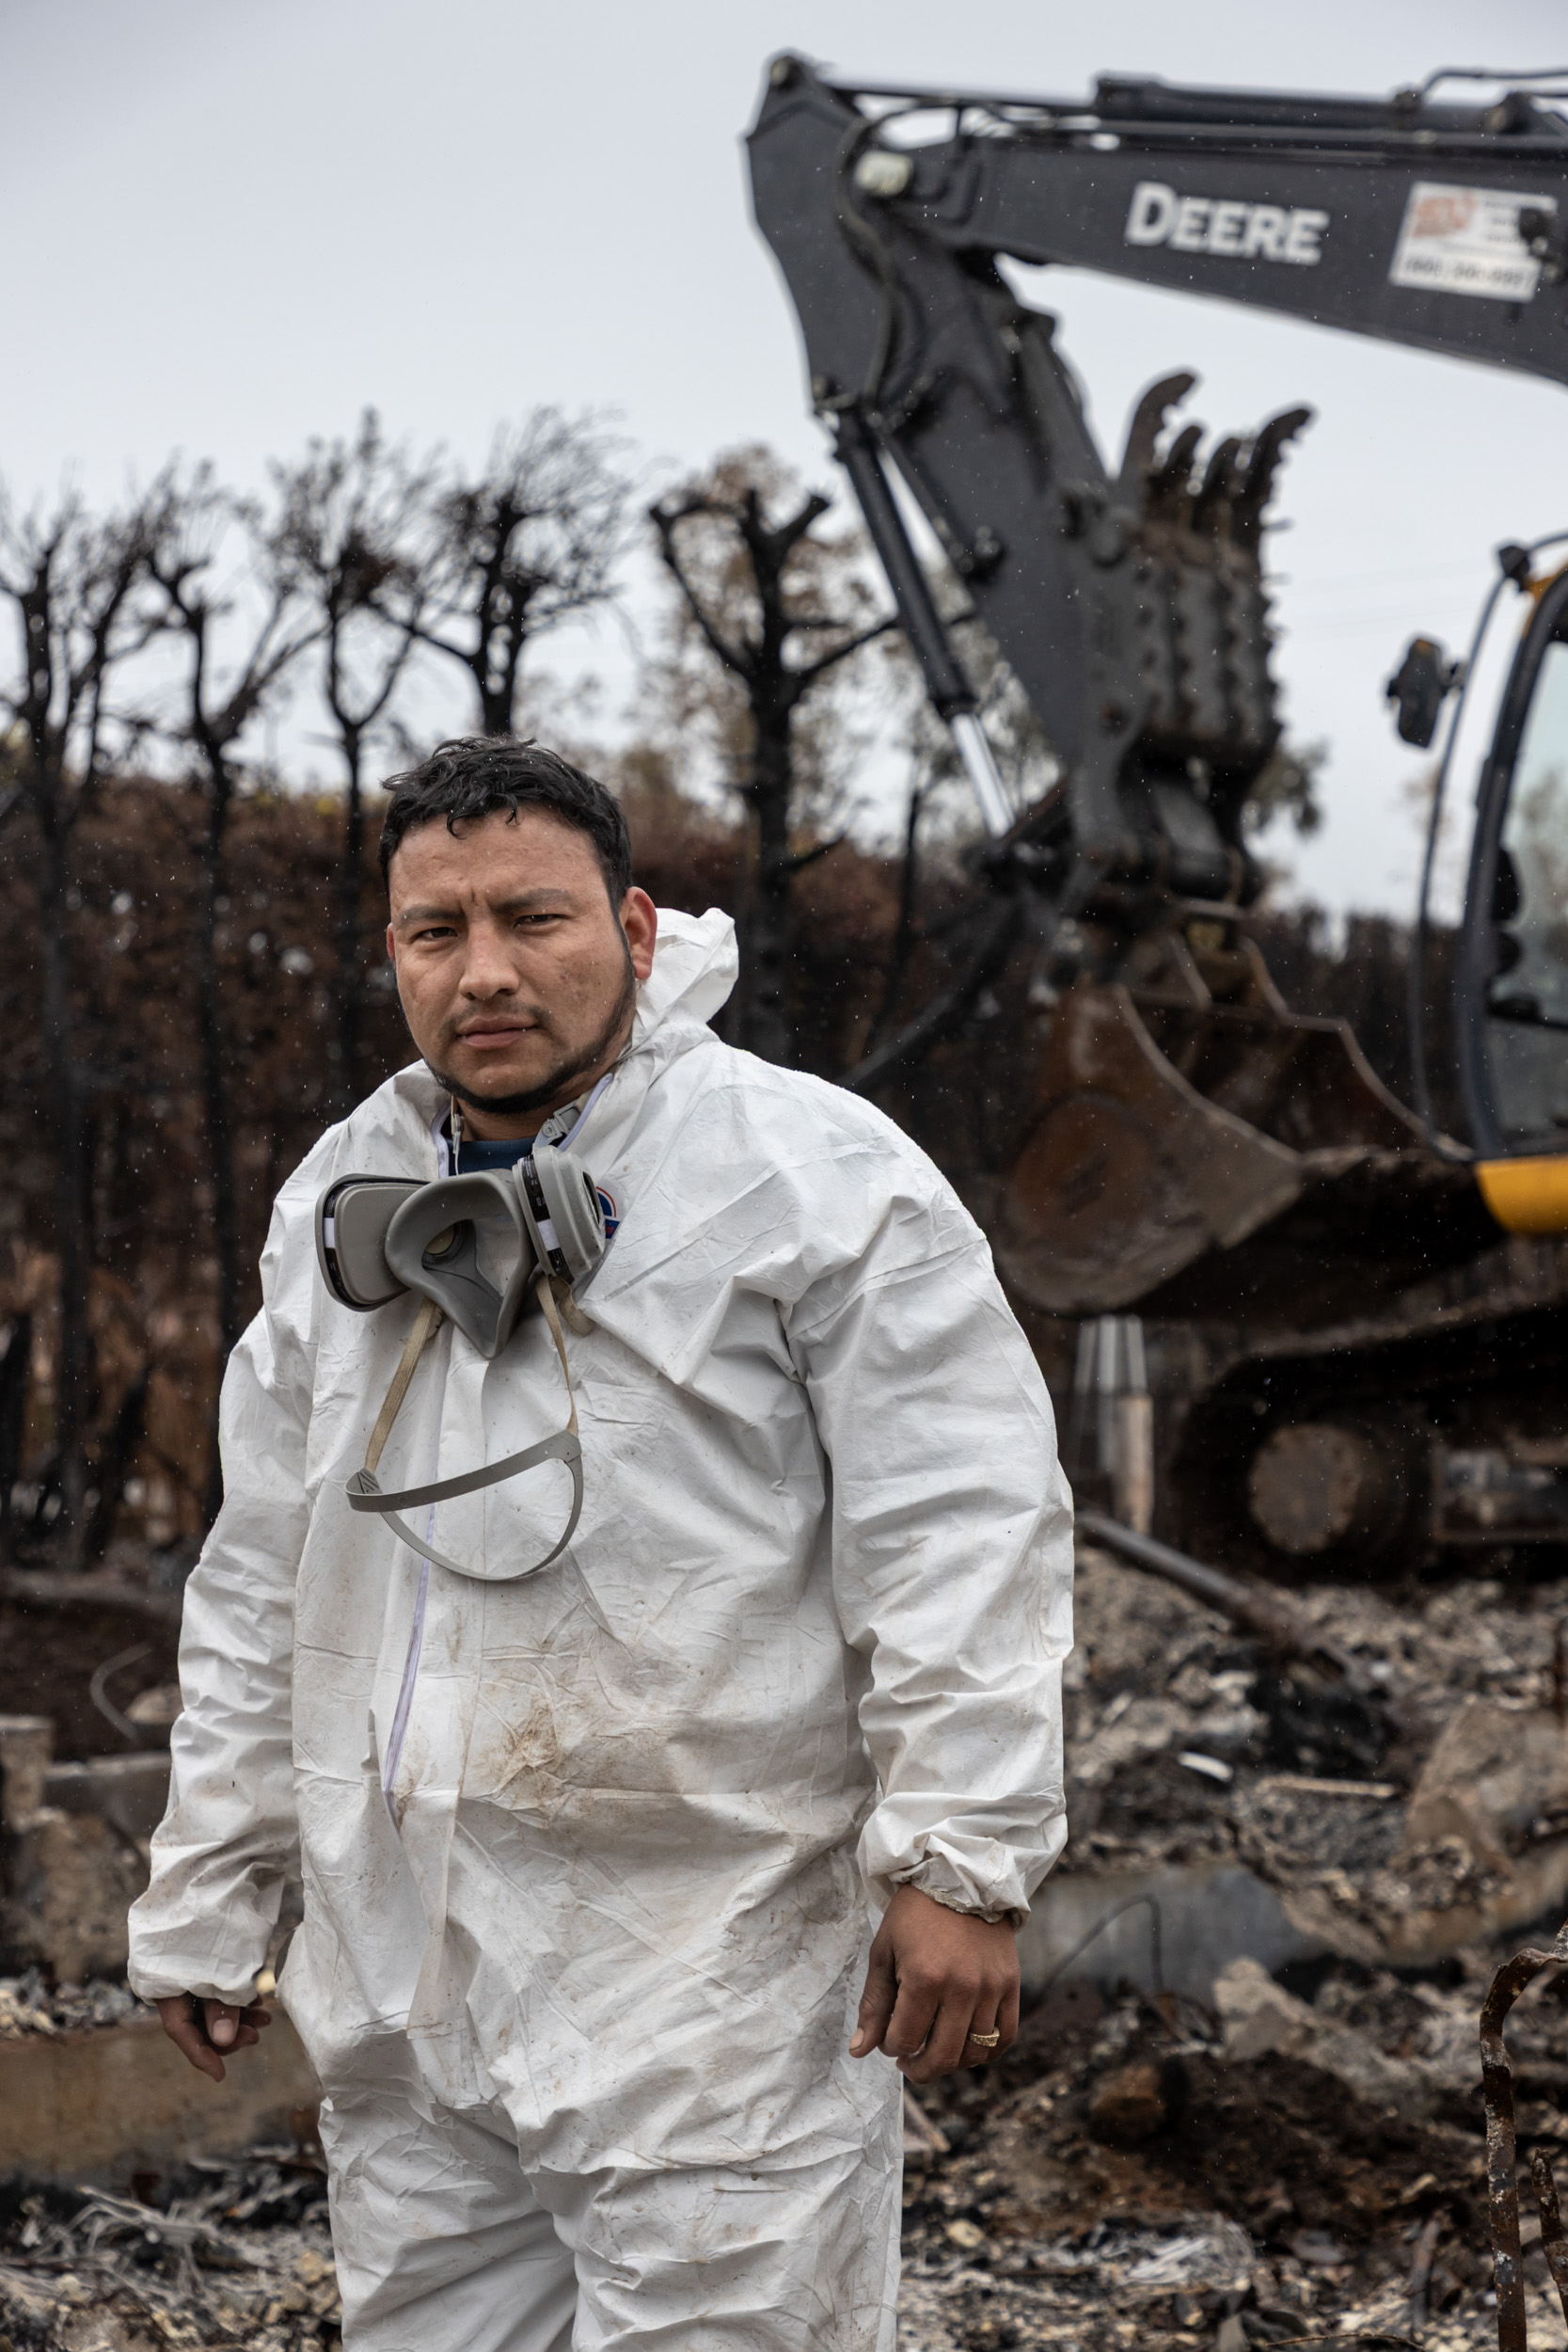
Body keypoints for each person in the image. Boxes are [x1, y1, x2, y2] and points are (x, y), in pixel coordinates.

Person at [128, 736, 1073, 2352]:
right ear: (394, 953)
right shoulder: (346, 1199)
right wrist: (220, 1880)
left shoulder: (809, 1177)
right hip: (412, 1985)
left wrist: (962, 1859)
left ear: (635, 931)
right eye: (437, 933)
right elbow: (268, 1565)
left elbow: (959, 1521)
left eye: (533, 919)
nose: (484, 972)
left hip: (713, 1985)